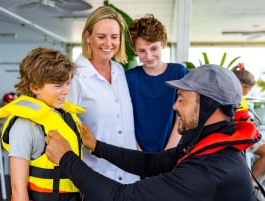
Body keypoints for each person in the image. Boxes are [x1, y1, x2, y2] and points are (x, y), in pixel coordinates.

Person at [45, 64, 261, 201]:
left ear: (208, 106)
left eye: (182, 99)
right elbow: (150, 163)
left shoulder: (209, 169)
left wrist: (66, 158)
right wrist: (98, 147)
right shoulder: (208, 144)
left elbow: (121, 197)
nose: (175, 106)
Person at [0, 47, 85, 201]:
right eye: (58, 86)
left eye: (68, 83)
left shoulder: (65, 116)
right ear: (34, 87)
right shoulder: (24, 126)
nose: (66, 91)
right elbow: (18, 188)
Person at [66, 5, 139, 184]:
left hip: (130, 175)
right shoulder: (74, 76)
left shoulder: (119, 71)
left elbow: (124, 124)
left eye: (114, 37)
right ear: (87, 37)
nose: (108, 43)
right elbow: (67, 129)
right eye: (101, 37)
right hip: (96, 177)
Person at [126, 14, 188, 152]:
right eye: (142, 51)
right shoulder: (129, 78)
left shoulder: (179, 72)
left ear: (164, 43)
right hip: (137, 153)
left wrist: (169, 151)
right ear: (134, 50)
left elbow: (183, 115)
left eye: (154, 48)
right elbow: (125, 118)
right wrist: (138, 152)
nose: (148, 56)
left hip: (173, 151)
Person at [232, 63, 265, 200]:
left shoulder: (239, 98)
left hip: (246, 134)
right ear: (242, 85)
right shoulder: (235, 97)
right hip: (240, 136)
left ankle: (255, 183)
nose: (248, 93)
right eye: (248, 89)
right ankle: (251, 185)